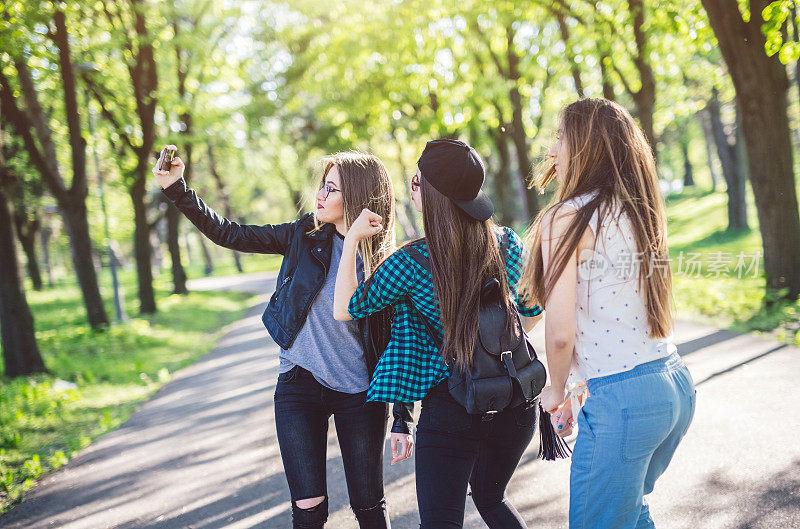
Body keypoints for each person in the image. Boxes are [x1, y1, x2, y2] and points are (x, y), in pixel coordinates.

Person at [153, 149, 409, 529]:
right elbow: (230, 233)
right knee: (309, 509)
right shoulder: (304, 235)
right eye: (322, 185)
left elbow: (398, 347)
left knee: (368, 507)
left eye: (331, 188)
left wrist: (402, 418)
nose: (320, 195)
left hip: (360, 393)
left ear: (356, 197)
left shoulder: (385, 263)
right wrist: (177, 189)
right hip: (298, 385)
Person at [333, 139, 544, 529]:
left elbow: (345, 307)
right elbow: (531, 312)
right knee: (491, 499)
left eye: (415, 181)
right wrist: (489, 349)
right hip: (514, 400)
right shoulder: (509, 245)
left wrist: (351, 242)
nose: (411, 187)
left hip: (453, 407)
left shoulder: (411, 263)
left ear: (427, 192)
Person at [520, 98, 696, 529]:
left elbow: (560, 333)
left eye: (560, 138)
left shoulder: (566, 217)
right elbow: (617, 317)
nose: (551, 151)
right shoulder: (639, 209)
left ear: (583, 147)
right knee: (632, 514)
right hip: (672, 385)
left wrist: (554, 391)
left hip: (625, 403)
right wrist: (580, 389)